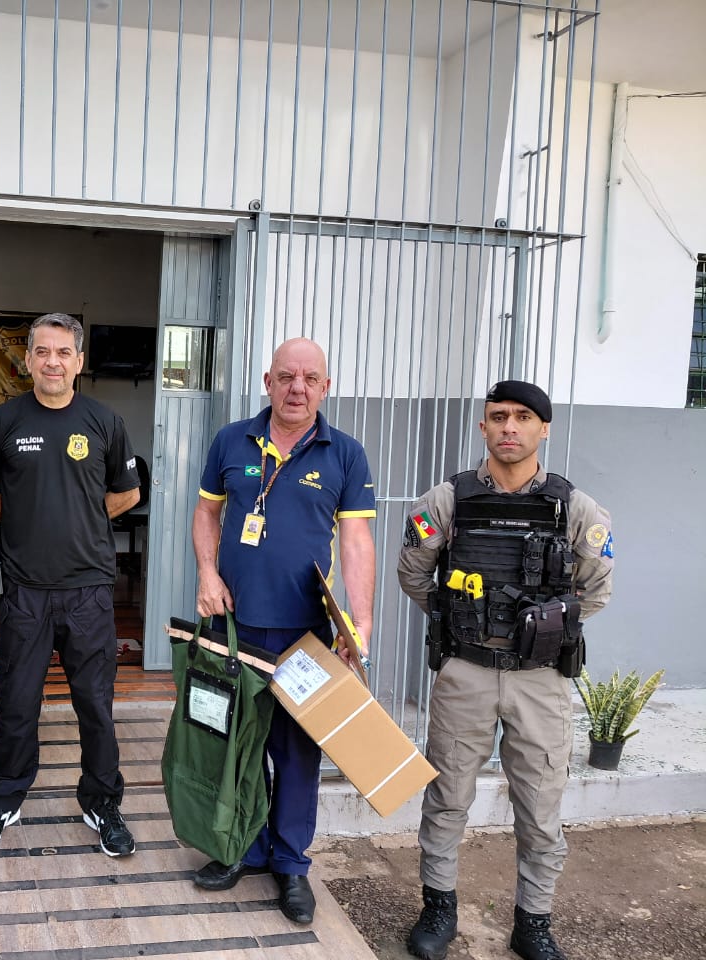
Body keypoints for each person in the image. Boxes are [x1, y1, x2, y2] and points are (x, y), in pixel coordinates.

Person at [397, 380, 614, 960]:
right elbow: (415, 577)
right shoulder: (445, 501)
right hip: (465, 672)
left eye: (522, 417)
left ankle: (533, 921)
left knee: (541, 806)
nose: (509, 428)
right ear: (483, 427)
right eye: (498, 417)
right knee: (446, 797)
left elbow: (596, 589)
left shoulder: (578, 509)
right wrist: (467, 621)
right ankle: (439, 909)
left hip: (540, 679)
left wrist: (540, 627)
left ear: (545, 428)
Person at [191, 337, 377, 924]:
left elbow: (355, 541)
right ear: (267, 381)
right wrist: (205, 573)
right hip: (235, 626)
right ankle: (241, 848)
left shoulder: (345, 454)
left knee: (296, 754)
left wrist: (360, 620)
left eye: (311, 379)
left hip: (306, 634)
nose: (298, 388)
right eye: (287, 377)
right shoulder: (230, 441)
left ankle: (292, 865)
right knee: (237, 747)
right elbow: (206, 513)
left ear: (326, 387)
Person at [0, 312, 142, 857]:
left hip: (88, 590)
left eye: (63, 352)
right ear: (28, 360)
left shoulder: (105, 422)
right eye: (42, 352)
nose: (52, 362)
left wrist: (82, 518)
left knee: (95, 703)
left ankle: (102, 802)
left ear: (79, 362)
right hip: (25, 590)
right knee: (16, 701)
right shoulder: (3, 421)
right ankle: (3, 799)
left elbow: (126, 494)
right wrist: (23, 519)